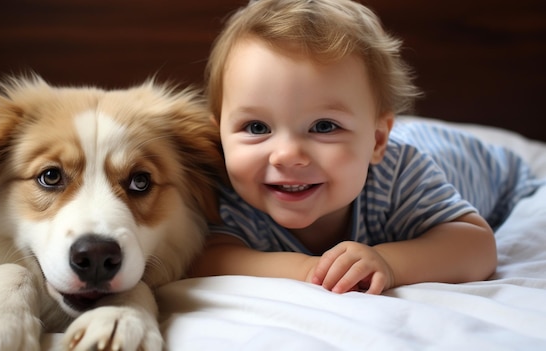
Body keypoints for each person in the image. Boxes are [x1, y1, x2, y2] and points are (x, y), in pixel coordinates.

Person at [189, 0, 543, 294]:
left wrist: (390, 263)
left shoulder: (401, 176)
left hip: (488, 170)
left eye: (324, 126)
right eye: (256, 127)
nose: (287, 155)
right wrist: (309, 269)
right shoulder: (232, 191)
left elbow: (476, 247)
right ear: (219, 135)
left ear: (377, 140)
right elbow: (210, 258)